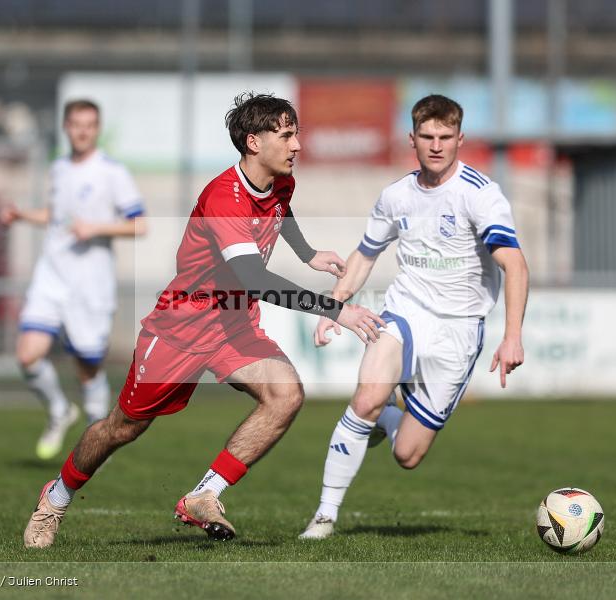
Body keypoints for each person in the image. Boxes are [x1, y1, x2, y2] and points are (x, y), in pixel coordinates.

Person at [23, 92, 385, 548]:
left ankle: (204, 494)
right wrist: (337, 309)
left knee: (286, 394)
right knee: (124, 426)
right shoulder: (222, 197)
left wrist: (308, 254)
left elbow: (280, 213)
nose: (297, 145)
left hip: (233, 325)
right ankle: (54, 498)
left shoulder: (281, 180)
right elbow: (254, 277)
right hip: (181, 328)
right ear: (253, 141)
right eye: (287, 135)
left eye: (297, 133)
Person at [299, 94, 530, 539]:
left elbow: (514, 265)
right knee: (364, 397)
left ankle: (387, 418)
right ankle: (325, 515)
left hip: (457, 332)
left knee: (407, 453)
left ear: (461, 139)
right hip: (405, 312)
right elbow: (366, 255)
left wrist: (513, 336)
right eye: (427, 136)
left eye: (446, 137)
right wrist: (335, 304)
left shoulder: (480, 196)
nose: (437, 145)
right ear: (413, 139)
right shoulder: (396, 196)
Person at [0, 99, 147, 460]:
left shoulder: (112, 173)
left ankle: (98, 441)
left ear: (97, 129)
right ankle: (58, 410)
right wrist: (23, 216)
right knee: (27, 355)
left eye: (89, 125)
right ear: (66, 127)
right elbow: (57, 215)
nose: (82, 131)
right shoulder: (59, 168)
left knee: (87, 367)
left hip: (90, 285)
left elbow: (139, 224)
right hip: (51, 276)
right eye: (76, 124)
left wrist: (96, 227)